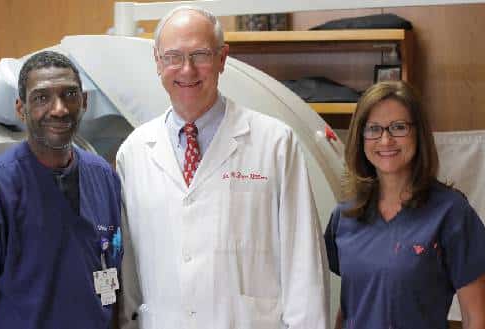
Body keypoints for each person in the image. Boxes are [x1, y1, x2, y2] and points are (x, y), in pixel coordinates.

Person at [116, 6, 329, 329]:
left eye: (200, 55)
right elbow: (128, 272)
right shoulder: (133, 153)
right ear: (158, 62)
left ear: (222, 58)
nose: (186, 70)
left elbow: (305, 265)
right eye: (173, 57)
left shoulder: (275, 143)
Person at [0, 51, 123, 329]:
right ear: (20, 109)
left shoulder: (104, 176)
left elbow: (111, 270)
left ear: (84, 102)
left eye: (70, 95)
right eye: (41, 98)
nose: (59, 109)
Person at [324, 81, 485, 329]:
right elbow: (352, 306)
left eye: (399, 127)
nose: (385, 140)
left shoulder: (451, 213)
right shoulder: (344, 217)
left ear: (418, 133)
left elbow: (476, 319)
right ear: (360, 137)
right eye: (373, 129)